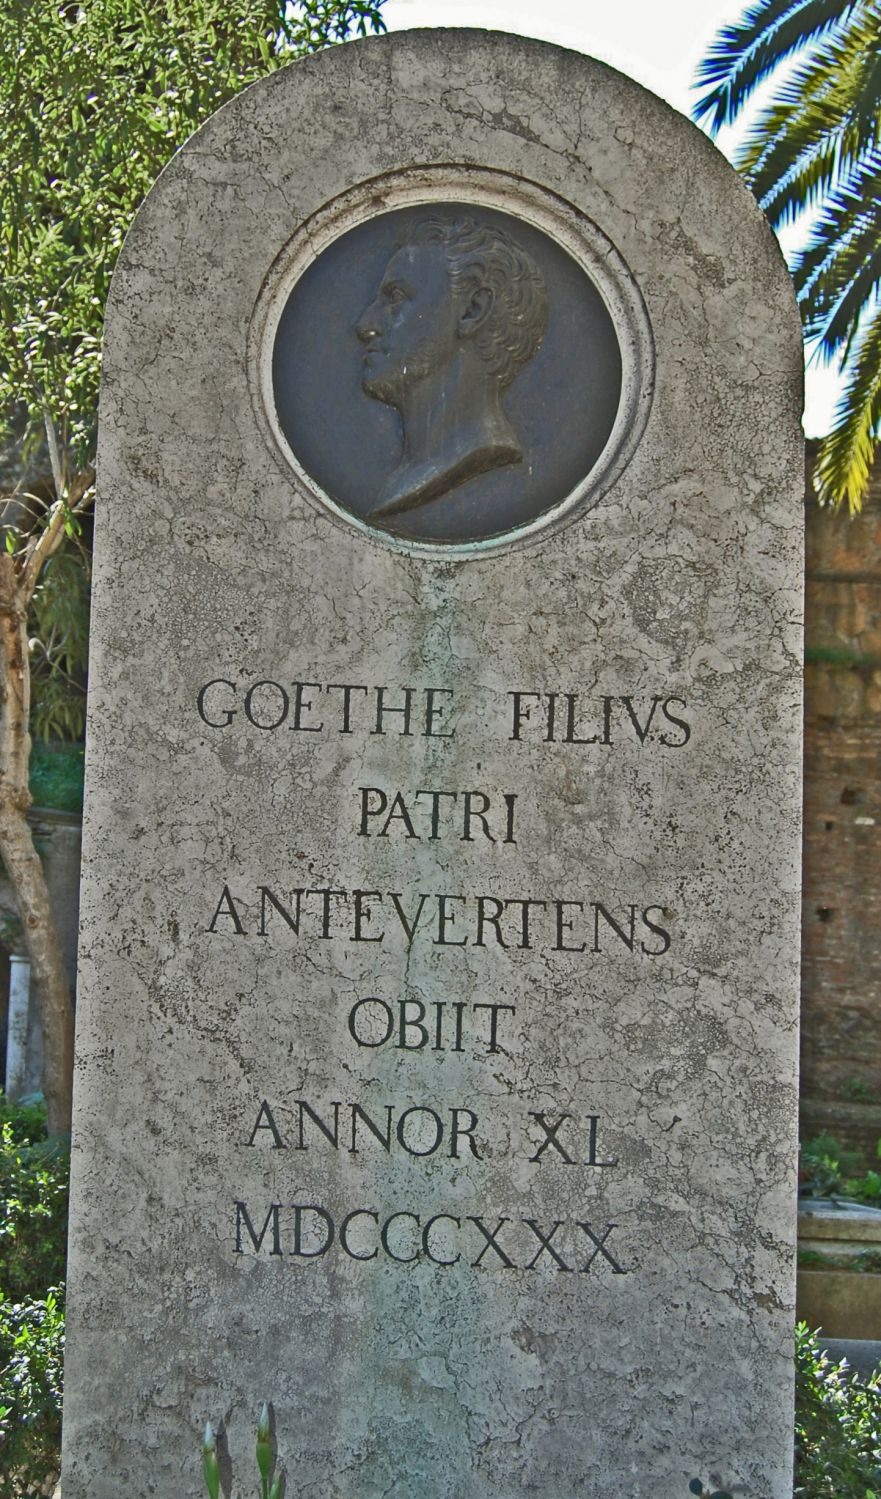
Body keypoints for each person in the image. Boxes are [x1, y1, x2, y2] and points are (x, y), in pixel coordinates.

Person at [355, 214, 548, 523]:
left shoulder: (482, 456)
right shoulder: (397, 482)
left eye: (395, 297)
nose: (365, 326)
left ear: (472, 311)